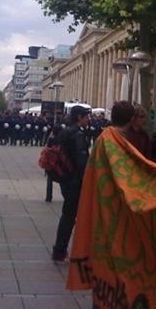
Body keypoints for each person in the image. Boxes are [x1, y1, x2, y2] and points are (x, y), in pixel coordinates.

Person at [51, 105, 91, 264]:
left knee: (68, 215)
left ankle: (60, 251)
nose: (88, 119)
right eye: (86, 116)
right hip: (75, 181)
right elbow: (82, 162)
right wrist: (87, 180)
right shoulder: (78, 135)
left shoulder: (65, 131)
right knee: (70, 216)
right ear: (80, 117)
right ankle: (60, 252)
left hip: (65, 179)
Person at [44, 124, 63, 202]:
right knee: (63, 180)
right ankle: (65, 195)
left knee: (49, 180)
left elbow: (47, 150)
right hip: (60, 162)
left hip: (51, 162)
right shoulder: (62, 139)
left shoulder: (51, 139)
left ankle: (48, 196)